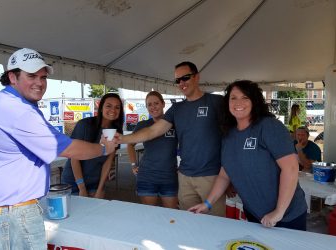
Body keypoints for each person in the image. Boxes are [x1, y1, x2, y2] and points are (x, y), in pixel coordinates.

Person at [0, 48, 117, 249]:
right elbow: (68, 149)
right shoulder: (17, 110)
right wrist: (104, 148)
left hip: (5, 211)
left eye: (43, 77)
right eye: (31, 76)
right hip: (12, 214)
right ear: (12, 77)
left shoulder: (7, 101)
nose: (40, 83)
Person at [189, 80, 307, 231]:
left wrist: (279, 212)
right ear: (227, 103)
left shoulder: (269, 126)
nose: (239, 102)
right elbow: (225, 175)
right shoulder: (229, 135)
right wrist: (207, 204)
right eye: (233, 98)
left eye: (245, 97)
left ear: (255, 101)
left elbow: (291, 168)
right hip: (254, 215)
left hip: (287, 217)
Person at [117, 61, 226, 216]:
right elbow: (153, 131)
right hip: (184, 178)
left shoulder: (216, 102)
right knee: (187, 222)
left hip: (210, 176)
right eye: (177, 80)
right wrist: (121, 139)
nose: (181, 83)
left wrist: (229, 177)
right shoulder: (177, 109)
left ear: (197, 77)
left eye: (185, 78)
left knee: (216, 224)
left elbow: (232, 137)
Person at [61, 93, 124, 198]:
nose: (113, 110)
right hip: (74, 182)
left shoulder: (116, 131)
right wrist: (82, 188)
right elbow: (74, 158)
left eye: (117, 107)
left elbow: (108, 162)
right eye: (108, 106)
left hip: (95, 183)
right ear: (101, 108)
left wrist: (100, 188)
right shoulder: (85, 125)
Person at [127, 91, 178, 208]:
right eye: (149, 105)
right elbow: (130, 144)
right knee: (149, 215)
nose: (153, 107)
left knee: (171, 215)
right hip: (146, 177)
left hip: (169, 177)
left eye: (156, 103)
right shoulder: (143, 125)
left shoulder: (174, 124)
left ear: (163, 104)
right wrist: (134, 165)